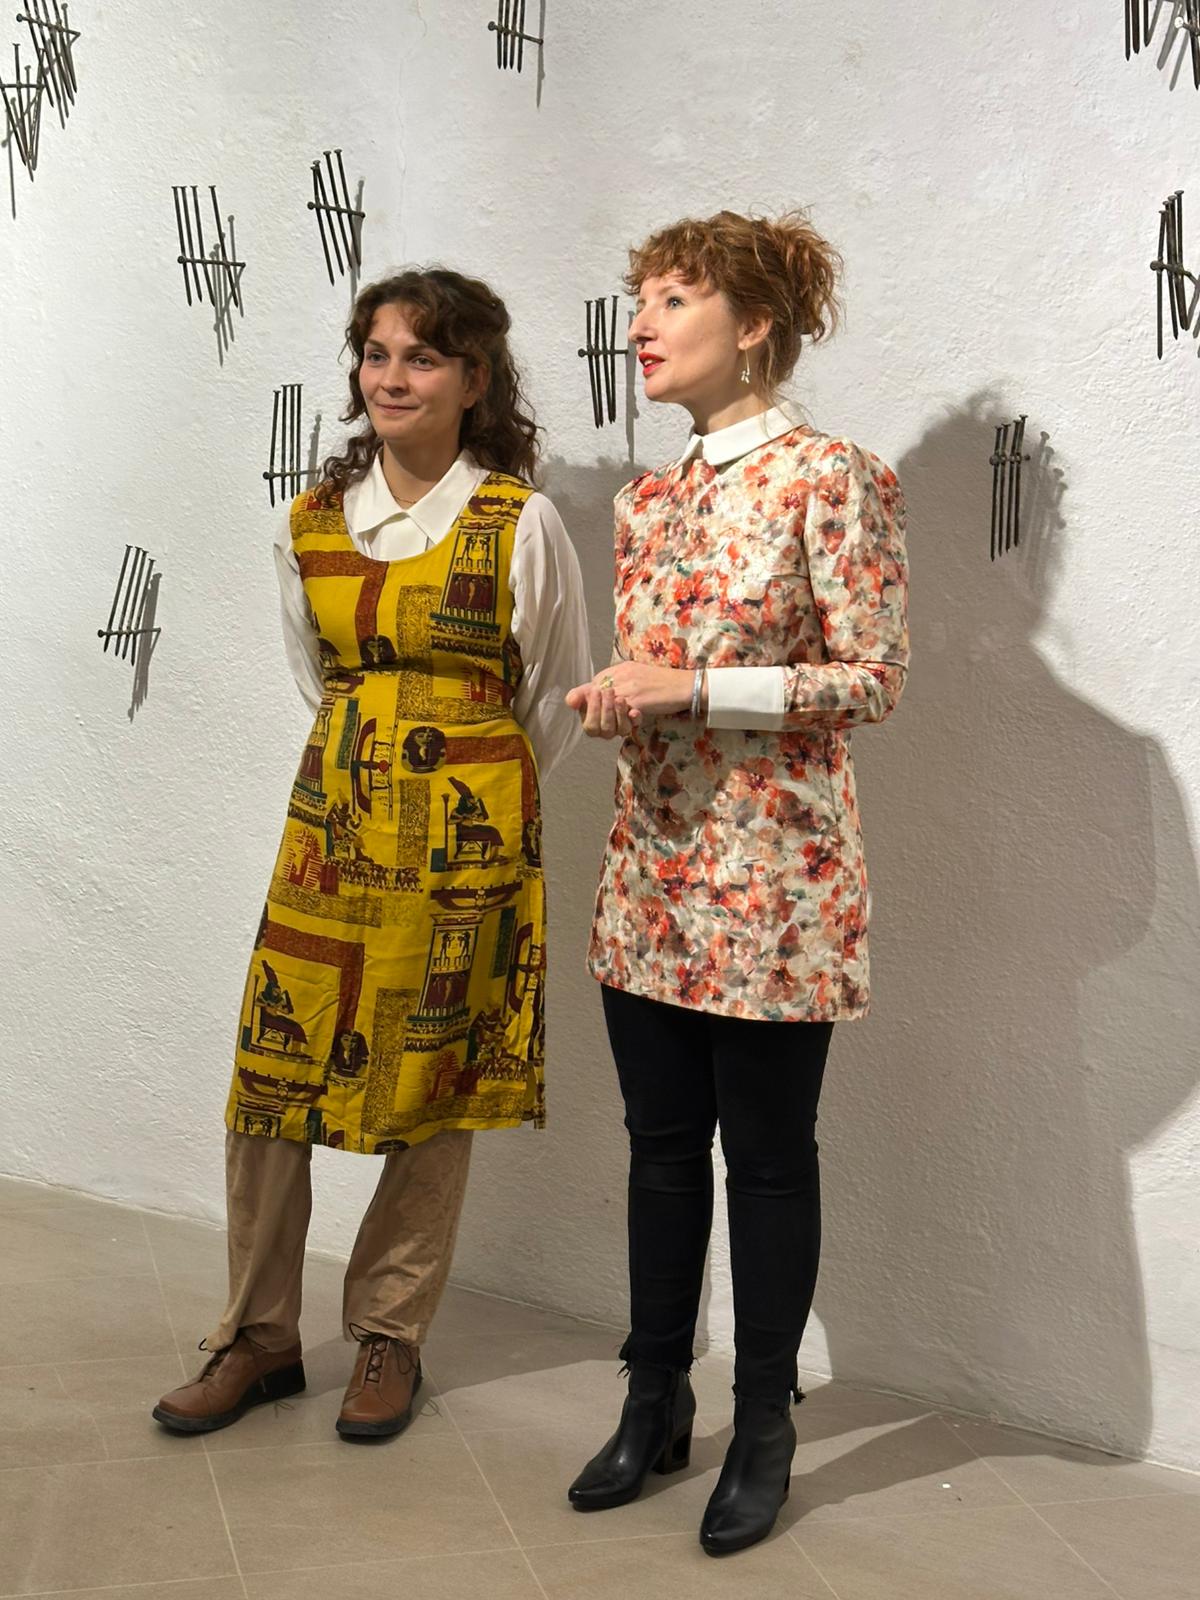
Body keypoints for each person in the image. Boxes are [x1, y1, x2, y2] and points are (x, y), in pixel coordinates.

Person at [154, 266, 590, 1441]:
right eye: (377, 353)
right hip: (331, 836)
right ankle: (259, 1336)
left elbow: (552, 695)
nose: (392, 377)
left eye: (423, 357)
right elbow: (325, 680)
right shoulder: (308, 521)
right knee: (272, 1073)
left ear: (474, 380)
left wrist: (468, 791)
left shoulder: (519, 520)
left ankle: (390, 1333)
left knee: (432, 1080)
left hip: (465, 853)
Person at [565, 210, 909, 1554]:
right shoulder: (644, 502)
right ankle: (653, 1397)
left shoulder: (834, 476)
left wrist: (697, 690)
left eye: (674, 299)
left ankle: (763, 1420)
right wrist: (623, 698)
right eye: (640, 298)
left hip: (779, 882)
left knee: (766, 1160)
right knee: (659, 1149)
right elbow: (661, 679)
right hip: (651, 869)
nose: (642, 324)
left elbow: (872, 680)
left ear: (754, 324)